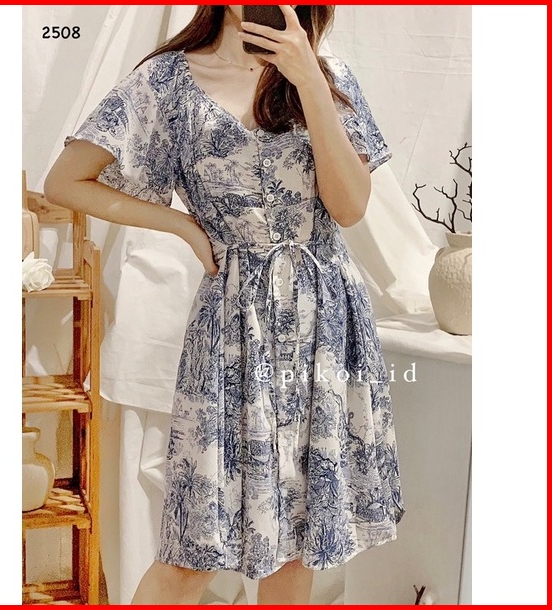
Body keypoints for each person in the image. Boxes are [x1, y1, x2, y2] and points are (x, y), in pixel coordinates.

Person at [44, 4, 406, 605]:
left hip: (325, 318)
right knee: (194, 545)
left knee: (299, 537)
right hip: (234, 325)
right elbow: (66, 180)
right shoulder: (166, 80)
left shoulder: (327, 76)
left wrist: (309, 81)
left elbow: (348, 208)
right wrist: (182, 225)